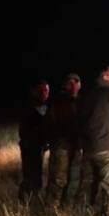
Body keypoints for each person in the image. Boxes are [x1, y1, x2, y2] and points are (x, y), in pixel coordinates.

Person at [78, 65, 109, 216]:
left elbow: (79, 121)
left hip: (88, 149)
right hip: (107, 148)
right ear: (105, 75)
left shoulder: (87, 95)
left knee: (87, 185)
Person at [45, 73, 83, 205]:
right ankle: (51, 208)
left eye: (76, 82)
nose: (73, 86)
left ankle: (67, 207)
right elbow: (49, 123)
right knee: (58, 179)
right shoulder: (57, 102)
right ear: (65, 85)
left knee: (74, 179)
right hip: (61, 145)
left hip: (77, 146)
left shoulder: (83, 102)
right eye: (70, 83)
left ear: (80, 85)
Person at [18, 79, 50, 199]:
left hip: (40, 147)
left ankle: (33, 197)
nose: (44, 93)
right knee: (30, 175)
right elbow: (26, 131)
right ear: (34, 92)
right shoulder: (28, 108)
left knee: (37, 174)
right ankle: (26, 199)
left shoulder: (47, 108)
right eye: (40, 91)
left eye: (46, 91)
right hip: (30, 147)